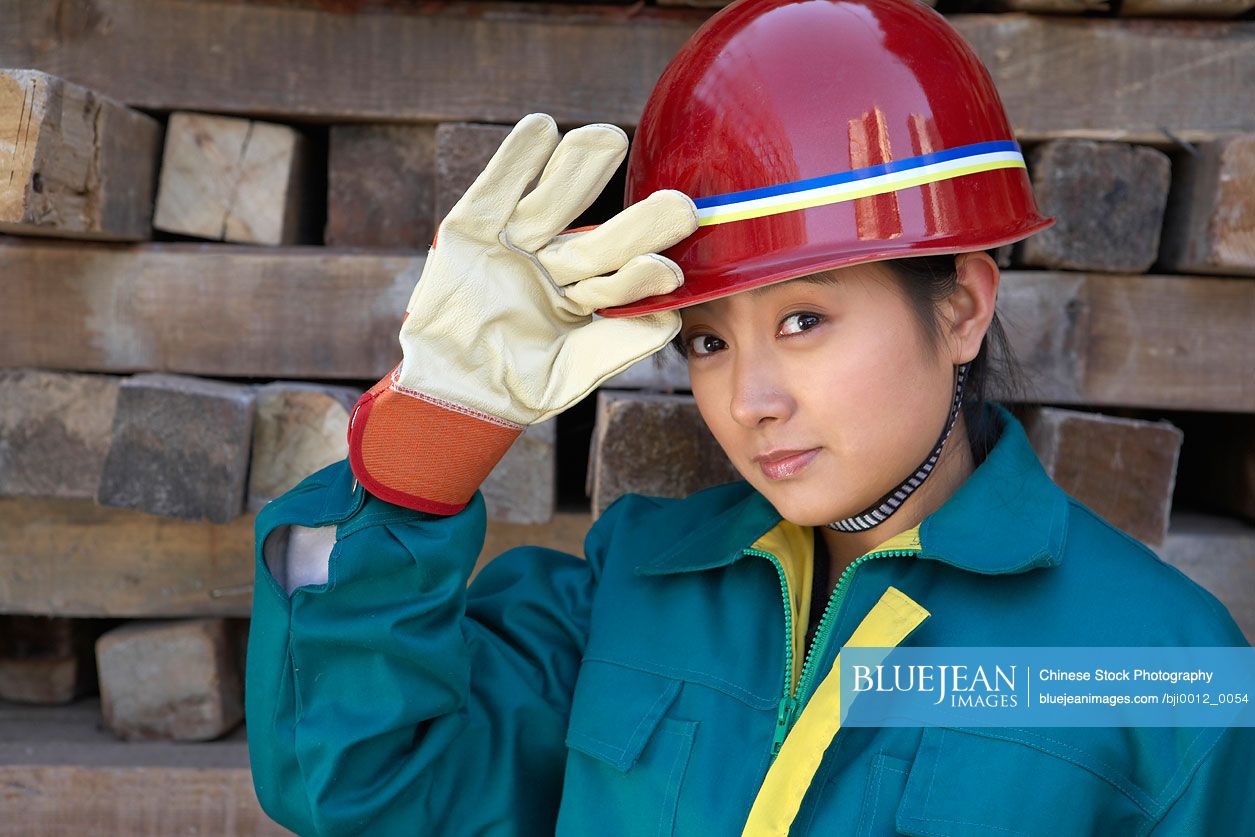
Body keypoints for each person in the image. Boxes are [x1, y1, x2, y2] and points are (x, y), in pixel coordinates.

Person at [245, 0, 1253, 834]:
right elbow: (358, 786)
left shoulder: (1165, 669)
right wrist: (427, 442)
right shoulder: (632, 585)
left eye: (804, 321)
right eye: (707, 342)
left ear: (960, 306)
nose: (749, 401)